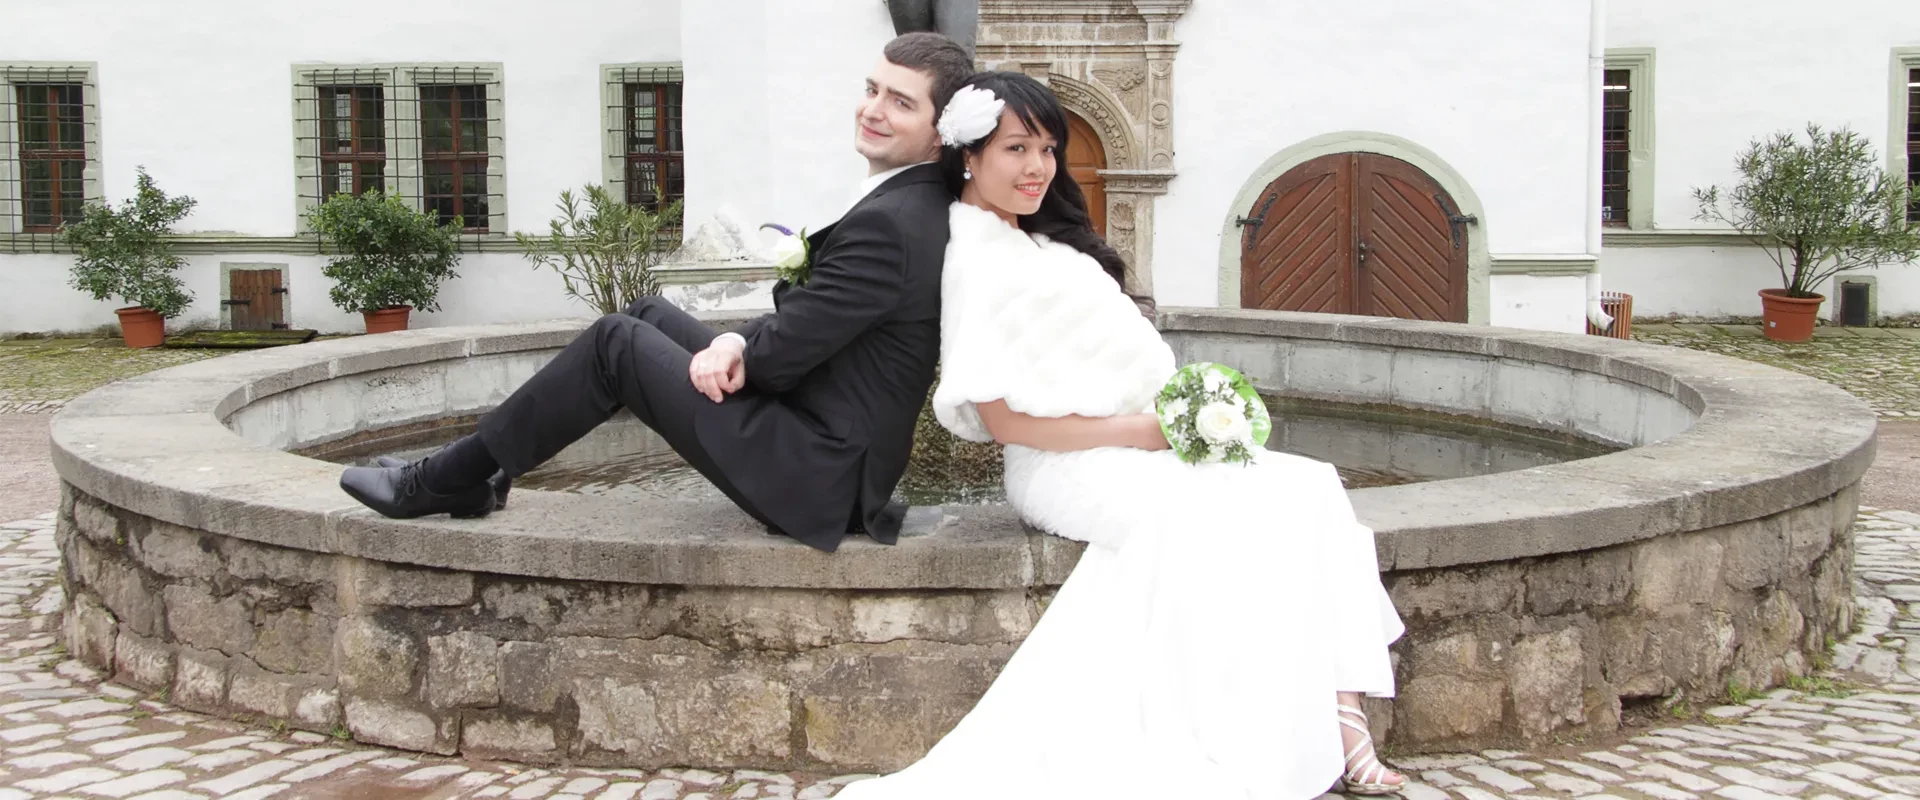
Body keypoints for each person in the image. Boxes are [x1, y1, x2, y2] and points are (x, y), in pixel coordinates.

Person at [831, 71, 1409, 799]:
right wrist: (1144, 431)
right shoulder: (974, 258)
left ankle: (1342, 716)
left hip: (1130, 445)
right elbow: (1004, 420)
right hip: (1062, 467)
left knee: (1309, 487)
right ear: (969, 156)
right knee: (1208, 514)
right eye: (1016, 148)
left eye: (1047, 148)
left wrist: (1186, 419)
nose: (1038, 167)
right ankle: (1244, 734)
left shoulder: (1046, 244)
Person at [338, 32, 975, 553]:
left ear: (941, 130)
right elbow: (812, 332)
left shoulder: (892, 226)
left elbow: (781, 360)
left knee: (618, 343)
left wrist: (736, 345)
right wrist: (736, 343)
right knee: (647, 314)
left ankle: (447, 480)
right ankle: (489, 472)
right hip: (817, 440)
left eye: (900, 102)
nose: (872, 109)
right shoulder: (907, 204)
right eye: (872, 90)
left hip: (815, 475)